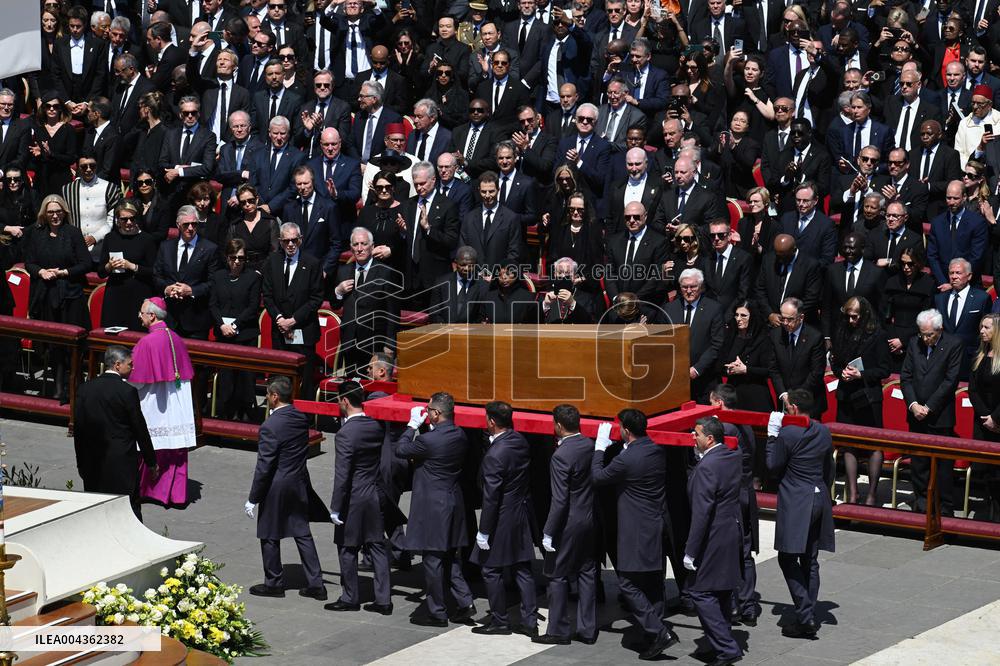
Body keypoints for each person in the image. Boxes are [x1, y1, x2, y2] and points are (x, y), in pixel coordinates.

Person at [592, 409, 679, 661]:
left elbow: (598, 477)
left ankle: (657, 631)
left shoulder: (626, 460)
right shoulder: (654, 450)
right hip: (654, 525)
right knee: (653, 582)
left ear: (626, 431)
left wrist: (599, 450)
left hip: (635, 530)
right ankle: (653, 633)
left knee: (628, 583)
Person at [246, 376, 330, 599]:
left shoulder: (270, 426)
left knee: (269, 533)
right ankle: (316, 584)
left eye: (268, 394)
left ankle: (274, 583)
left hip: (276, 486)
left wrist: (253, 497)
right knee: (302, 532)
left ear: (274, 396)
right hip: (299, 481)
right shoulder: (300, 418)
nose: (266, 397)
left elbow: (265, 466)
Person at [397, 392, 476, 627]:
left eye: (429, 409)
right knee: (450, 557)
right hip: (452, 504)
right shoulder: (459, 435)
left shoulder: (428, 441)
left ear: (436, 413)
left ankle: (438, 612)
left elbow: (401, 449)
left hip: (433, 508)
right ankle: (464, 601)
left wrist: (412, 426)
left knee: (432, 561)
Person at [766, 388, 835, 639]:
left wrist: (772, 437)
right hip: (818, 497)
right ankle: (807, 612)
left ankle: (805, 615)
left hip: (797, 500)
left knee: (787, 557)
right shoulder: (823, 430)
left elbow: (773, 467)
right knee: (810, 559)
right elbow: (829, 467)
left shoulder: (788, 433)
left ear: (793, 408)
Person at [470, 401, 538, 637]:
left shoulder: (495, 455)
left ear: (491, 422)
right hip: (520, 512)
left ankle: (500, 620)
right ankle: (530, 620)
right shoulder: (520, 441)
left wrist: (484, 531)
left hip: (501, 519)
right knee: (522, 568)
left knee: (490, 570)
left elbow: (491, 498)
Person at [327, 380, 396, 614]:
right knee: (377, 545)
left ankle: (350, 597)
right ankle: (384, 599)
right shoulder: (374, 426)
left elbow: (343, 474)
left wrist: (336, 507)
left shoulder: (345, 433)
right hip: (373, 494)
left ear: (345, 400)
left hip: (354, 499)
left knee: (347, 549)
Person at [535, 404, 597, 646]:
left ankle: (559, 629)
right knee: (586, 572)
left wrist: (549, 532)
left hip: (569, 523)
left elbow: (560, 500)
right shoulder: (588, 445)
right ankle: (588, 629)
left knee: (557, 575)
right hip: (588, 518)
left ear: (558, 426)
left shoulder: (560, 456)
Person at [74, 346, 158, 520]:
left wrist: (80, 463)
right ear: (118, 365)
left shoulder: (85, 389)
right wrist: (151, 462)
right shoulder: (127, 392)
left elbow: (79, 431)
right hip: (121, 462)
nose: (132, 368)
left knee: (96, 509)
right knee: (128, 510)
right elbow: (139, 430)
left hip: (92, 461)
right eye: (130, 364)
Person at [684, 416, 743, 666]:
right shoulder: (731, 455)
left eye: (696, 434)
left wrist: (690, 551)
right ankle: (716, 642)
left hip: (713, 535)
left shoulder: (707, 467)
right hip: (730, 530)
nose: (692, 437)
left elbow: (702, 512)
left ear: (709, 439)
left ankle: (726, 647)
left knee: (700, 591)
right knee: (721, 591)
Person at [23, 195, 91, 402]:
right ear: (44, 213)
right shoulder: (36, 233)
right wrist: (41, 272)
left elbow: (86, 263)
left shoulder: (73, 233)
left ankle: (72, 387)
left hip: (70, 295)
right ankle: (58, 387)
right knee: (53, 344)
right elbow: (29, 262)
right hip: (46, 294)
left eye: (58, 211)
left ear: (65, 212)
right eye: (51, 212)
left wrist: (63, 273)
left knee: (69, 344)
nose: (55, 215)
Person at [132, 297, 197, 509]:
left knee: (151, 443)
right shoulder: (175, 337)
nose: (139, 316)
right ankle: (175, 495)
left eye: (141, 313)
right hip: (175, 402)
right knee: (174, 447)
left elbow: (137, 382)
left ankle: (147, 490)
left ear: (151, 315)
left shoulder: (147, 342)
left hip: (155, 401)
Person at [900, 309, 963, 516]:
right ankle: (922, 505)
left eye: (930, 335)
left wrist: (929, 407)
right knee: (919, 464)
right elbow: (906, 377)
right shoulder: (914, 343)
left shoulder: (953, 344)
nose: (925, 339)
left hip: (940, 416)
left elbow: (950, 381)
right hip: (916, 415)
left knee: (943, 466)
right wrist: (913, 405)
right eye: (922, 334)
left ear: (940, 329)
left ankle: (944, 508)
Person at [708, 384, 761, 625]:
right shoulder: (744, 423)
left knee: (730, 551)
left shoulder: (724, 428)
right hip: (746, 490)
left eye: (711, 403)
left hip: (732, 496)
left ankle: (733, 605)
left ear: (718, 402)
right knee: (745, 551)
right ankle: (748, 605)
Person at [830, 296, 891, 505]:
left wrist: (861, 375)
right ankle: (853, 492)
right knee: (849, 444)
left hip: (868, 397)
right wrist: (842, 373)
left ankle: (872, 494)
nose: (851, 321)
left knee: (874, 444)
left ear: (864, 315)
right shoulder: (842, 332)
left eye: (855, 317)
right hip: (847, 394)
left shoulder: (878, 335)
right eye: (848, 317)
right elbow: (836, 363)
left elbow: (884, 369)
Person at [262, 222, 324, 399]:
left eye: (294, 240)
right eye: (286, 241)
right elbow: (267, 295)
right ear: (280, 242)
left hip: (303, 330)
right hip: (279, 330)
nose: (290, 244)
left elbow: (316, 298)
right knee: (280, 376)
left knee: (303, 378)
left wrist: (293, 320)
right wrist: (280, 318)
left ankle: (304, 416)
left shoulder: (312, 263)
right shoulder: (272, 261)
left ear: (300, 240)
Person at [209, 239, 261, 421]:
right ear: (227, 257)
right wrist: (221, 325)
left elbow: (253, 307)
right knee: (226, 379)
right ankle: (225, 415)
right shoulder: (218, 276)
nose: (237, 262)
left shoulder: (253, 277)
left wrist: (235, 325)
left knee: (246, 380)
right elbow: (213, 305)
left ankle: (246, 415)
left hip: (246, 335)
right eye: (233, 257)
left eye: (241, 258)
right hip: (224, 335)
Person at [153, 205, 220, 339]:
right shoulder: (166, 247)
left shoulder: (209, 249)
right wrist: (166, 289)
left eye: (194, 224)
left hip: (196, 319)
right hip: (170, 318)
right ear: (178, 225)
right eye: (186, 224)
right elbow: (156, 276)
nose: (190, 228)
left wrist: (191, 291)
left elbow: (214, 282)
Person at [664, 268, 725, 403]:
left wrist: (697, 369)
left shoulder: (714, 309)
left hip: (704, 380)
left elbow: (716, 344)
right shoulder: (670, 308)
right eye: (685, 287)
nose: (689, 290)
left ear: (701, 287)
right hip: (676, 380)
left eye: (693, 286)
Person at [98, 202, 158, 331]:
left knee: (136, 333)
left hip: (138, 292)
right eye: (124, 219)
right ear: (117, 220)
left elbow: (154, 271)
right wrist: (109, 266)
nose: (129, 222)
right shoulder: (110, 238)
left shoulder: (147, 239)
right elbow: (101, 272)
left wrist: (132, 266)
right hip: (115, 293)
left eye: (132, 218)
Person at [768, 297, 827, 418]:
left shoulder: (814, 337)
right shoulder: (775, 335)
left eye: (790, 319)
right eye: (782, 318)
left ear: (801, 318)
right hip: (785, 400)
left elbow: (816, 372)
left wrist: (795, 397)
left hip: (808, 401)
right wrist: (784, 395)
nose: (785, 323)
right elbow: (774, 369)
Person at [883, 247, 936, 372]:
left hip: (916, 338)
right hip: (892, 338)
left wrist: (903, 341)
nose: (906, 267)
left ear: (918, 263)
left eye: (910, 264)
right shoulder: (893, 282)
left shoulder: (927, 284)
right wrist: (893, 340)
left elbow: (927, 318)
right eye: (903, 263)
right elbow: (885, 314)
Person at [717, 300, 775, 413]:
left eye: (743, 315)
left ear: (752, 317)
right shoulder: (730, 336)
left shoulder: (763, 339)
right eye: (736, 315)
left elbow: (769, 370)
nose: (738, 319)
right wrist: (728, 369)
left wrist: (746, 369)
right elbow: (719, 363)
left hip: (755, 393)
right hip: (733, 393)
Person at [969, 313, 1000, 520]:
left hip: (998, 421)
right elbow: (973, 390)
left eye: (987, 327)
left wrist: (995, 418)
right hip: (983, 422)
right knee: (986, 471)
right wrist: (985, 417)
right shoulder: (979, 355)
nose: (981, 331)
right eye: (981, 327)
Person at [228, 183, 280, 273]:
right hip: (241, 270)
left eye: (250, 200)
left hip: (265, 270)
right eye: (243, 202)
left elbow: (274, 251)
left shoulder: (270, 221)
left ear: (256, 200)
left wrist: (262, 270)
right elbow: (229, 251)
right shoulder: (235, 225)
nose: (247, 205)